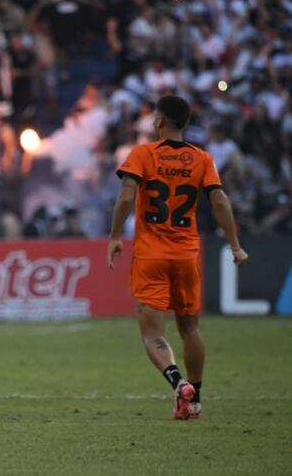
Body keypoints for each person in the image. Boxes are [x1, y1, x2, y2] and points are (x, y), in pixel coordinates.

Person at [107, 95, 249, 420]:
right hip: (186, 254)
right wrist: (235, 245)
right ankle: (195, 398)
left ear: (159, 121)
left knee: (153, 334)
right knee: (190, 329)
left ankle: (176, 380)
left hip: (151, 256)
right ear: (184, 124)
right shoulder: (202, 159)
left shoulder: (142, 154)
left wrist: (115, 236)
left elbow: (127, 195)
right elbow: (221, 202)